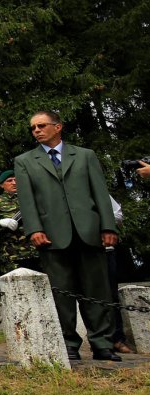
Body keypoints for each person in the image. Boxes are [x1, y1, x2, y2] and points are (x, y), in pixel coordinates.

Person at [14, 110, 121, 361]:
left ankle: (102, 343)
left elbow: (100, 193)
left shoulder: (85, 156)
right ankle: (68, 343)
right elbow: (27, 201)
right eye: (33, 128)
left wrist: (108, 227)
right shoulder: (25, 161)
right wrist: (34, 229)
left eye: (41, 126)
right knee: (61, 292)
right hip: (52, 235)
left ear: (58, 127)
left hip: (88, 231)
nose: (36, 131)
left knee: (97, 290)